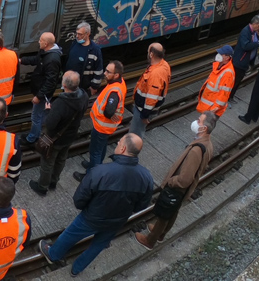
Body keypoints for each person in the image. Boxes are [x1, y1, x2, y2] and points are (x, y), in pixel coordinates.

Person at [38, 133, 153, 276]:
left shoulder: (100, 171)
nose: (117, 143)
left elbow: (79, 199)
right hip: (117, 221)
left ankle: (53, 254)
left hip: (92, 217)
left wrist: (87, 208)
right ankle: (77, 269)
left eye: (119, 142)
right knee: (98, 245)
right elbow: (142, 205)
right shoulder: (146, 177)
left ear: (123, 149)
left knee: (71, 234)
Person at [134, 111, 216, 250]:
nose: (196, 122)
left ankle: (150, 240)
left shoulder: (196, 150)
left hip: (177, 187)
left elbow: (184, 179)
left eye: (199, 121)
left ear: (203, 128)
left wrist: (171, 181)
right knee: (173, 210)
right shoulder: (208, 143)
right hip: (184, 190)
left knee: (165, 212)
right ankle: (161, 233)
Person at [29, 71, 88, 196]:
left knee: (47, 162)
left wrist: (47, 111)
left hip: (55, 139)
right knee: (61, 159)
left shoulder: (61, 103)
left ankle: (42, 186)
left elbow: (50, 124)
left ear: (65, 85)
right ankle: (54, 181)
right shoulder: (83, 96)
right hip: (70, 135)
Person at [74, 60, 126, 181]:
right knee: (100, 148)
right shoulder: (119, 82)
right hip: (104, 126)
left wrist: (108, 114)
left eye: (108, 71)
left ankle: (90, 175)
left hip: (102, 127)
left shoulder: (114, 91)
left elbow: (109, 111)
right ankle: (95, 165)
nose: (104, 73)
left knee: (95, 151)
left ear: (116, 75)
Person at [20, 32, 62, 146]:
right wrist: (22, 60)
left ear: (46, 43)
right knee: (39, 114)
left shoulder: (52, 59)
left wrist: (39, 96)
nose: (39, 42)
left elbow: (50, 82)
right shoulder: (46, 52)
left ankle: (32, 138)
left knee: (36, 116)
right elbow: (36, 59)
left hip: (43, 94)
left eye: (40, 40)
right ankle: (36, 133)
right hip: (41, 91)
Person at [129, 42, 171, 138]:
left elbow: (152, 97)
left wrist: (144, 115)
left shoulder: (156, 74)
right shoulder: (164, 64)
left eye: (148, 51)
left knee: (135, 135)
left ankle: (130, 151)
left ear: (151, 54)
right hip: (143, 108)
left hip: (142, 110)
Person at [63, 22, 103, 95]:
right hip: (68, 84)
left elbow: (98, 70)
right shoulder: (75, 43)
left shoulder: (94, 50)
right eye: (77, 33)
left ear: (87, 34)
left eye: (80, 34)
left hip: (82, 88)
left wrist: (94, 87)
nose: (77, 36)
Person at [196, 45, 235, 117]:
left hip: (212, 111)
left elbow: (222, 98)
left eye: (221, 54)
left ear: (227, 57)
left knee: (203, 127)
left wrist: (211, 112)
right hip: (207, 107)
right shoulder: (219, 66)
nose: (218, 55)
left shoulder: (228, 74)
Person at [231, 16, 259, 100]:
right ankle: (229, 98)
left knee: (238, 80)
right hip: (240, 62)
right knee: (235, 81)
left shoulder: (253, 32)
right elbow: (245, 46)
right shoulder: (245, 32)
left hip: (245, 61)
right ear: (255, 24)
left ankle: (230, 97)